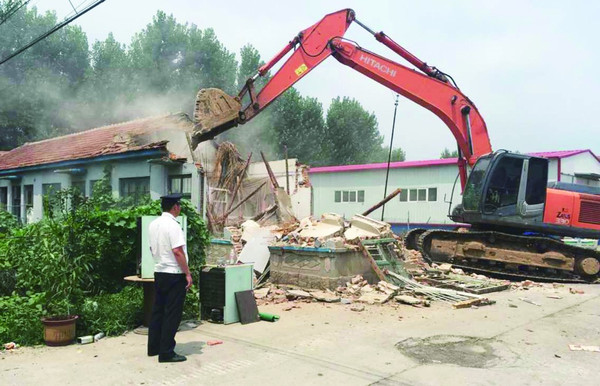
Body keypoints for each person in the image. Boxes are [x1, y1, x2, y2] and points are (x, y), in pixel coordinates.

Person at [147, 193, 192, 363]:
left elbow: (152, 249)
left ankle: (154, 347)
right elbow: (178, 251)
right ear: (175, 207)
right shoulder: (173, 225)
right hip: (174, 274)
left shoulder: (153, 224)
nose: (179, 209)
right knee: (172, 313)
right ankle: (166, 352)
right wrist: (187, 273)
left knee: (158, 310)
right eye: (179, 206)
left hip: (159, 272)